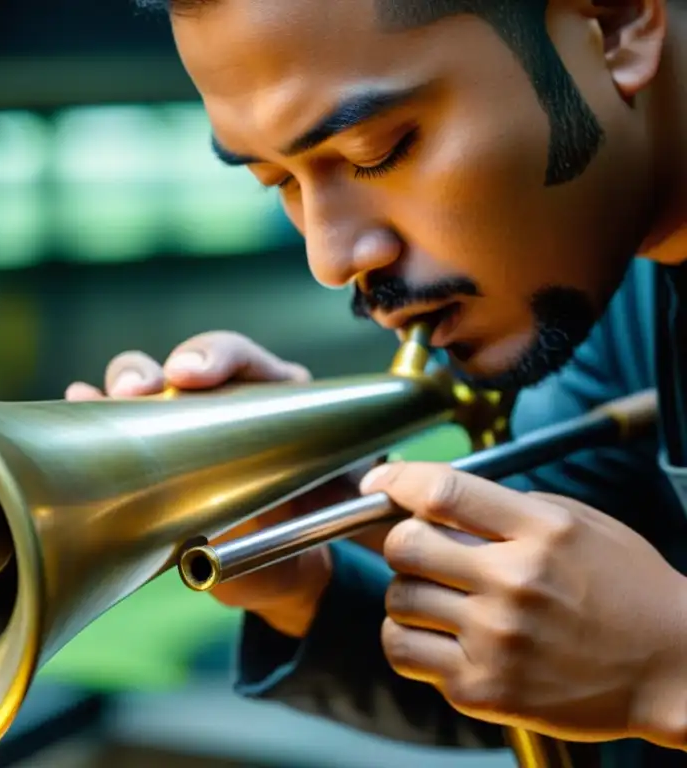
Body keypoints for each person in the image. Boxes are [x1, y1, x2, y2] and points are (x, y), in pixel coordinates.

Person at [65, 0, 687, 764]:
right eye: (279, 182)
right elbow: (579, 666)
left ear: (618, 24)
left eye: (376, 151)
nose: (330, 258)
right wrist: (318, 563)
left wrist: (671, 668)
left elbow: (645, 661)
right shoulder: (623, 292)